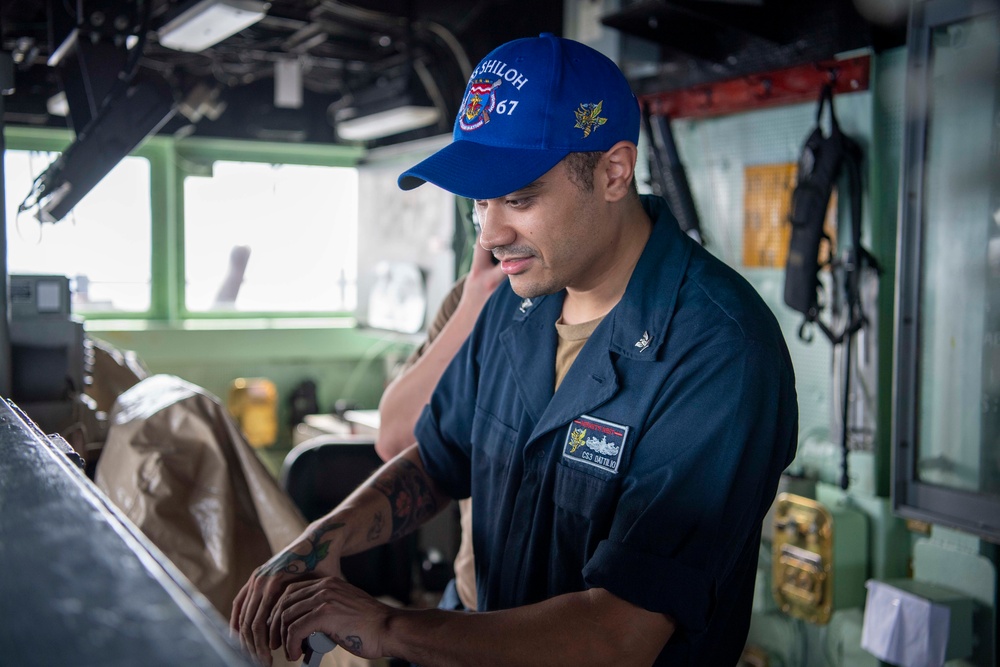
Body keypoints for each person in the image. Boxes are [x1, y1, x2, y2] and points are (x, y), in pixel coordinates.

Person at [233, 33, 798, 667]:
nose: (491, 233)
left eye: (519, 198)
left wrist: (389, 627)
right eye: (479, 200)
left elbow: (619, 634)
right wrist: (320, 540)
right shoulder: (517, 300)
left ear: (613, 172)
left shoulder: (721, 352)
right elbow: (437, 459)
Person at [375, 240, 505, 613]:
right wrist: (474, 305)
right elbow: (395, 440)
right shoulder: (475, 292)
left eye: (518, 201)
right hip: (471, 603)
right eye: (481, 210)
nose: (493, 233)